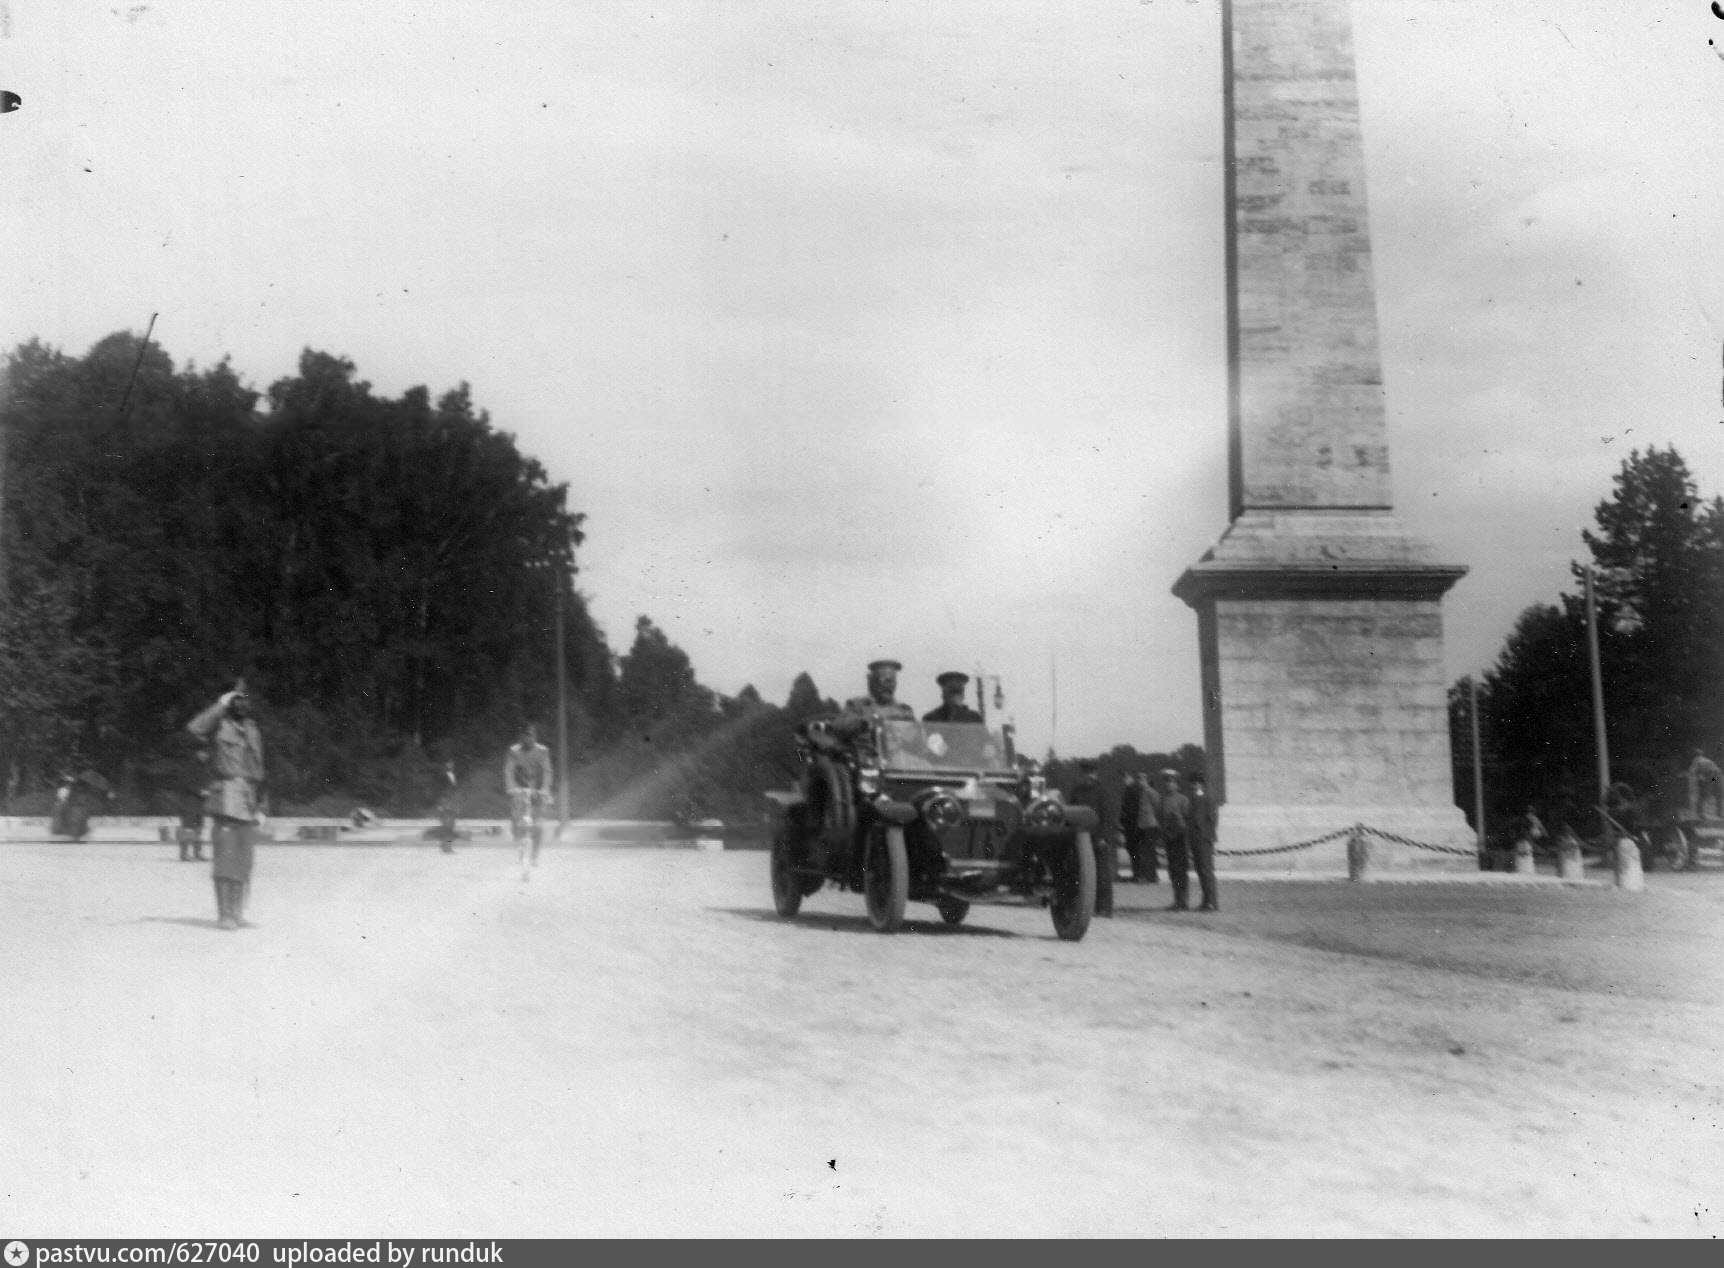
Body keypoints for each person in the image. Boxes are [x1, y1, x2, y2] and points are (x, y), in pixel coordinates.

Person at [187, 681, 266, 931]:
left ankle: (238, 912)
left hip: (249, 797)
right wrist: (219, 706)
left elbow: (260, 768)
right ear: (230, 702)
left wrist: (263, 804)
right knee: (226, 856)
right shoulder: (219, 724)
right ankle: (225, 914)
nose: (243, 704)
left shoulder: (253, 728)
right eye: (237, 699)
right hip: (226, 795)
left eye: (247, 699)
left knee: (245, 858)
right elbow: (194, 728)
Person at [505, 722, 554, 875]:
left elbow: (547, 771)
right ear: (521, 737)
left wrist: (545, 789)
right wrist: (511, 788)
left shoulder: (542, 751)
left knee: (538, 825)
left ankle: (534, 856)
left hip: (538, 791)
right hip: (520, 790)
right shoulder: (514, 751)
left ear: (535, 736)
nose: (528, 739)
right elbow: (509, 770)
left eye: (531, 735)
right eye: (525, 736)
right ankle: (520, 844)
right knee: (516, 822)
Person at [1069, 760, 1116, 918]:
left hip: (1098, 839)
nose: (1088, 776)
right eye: (1085, 773)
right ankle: (1089, 908)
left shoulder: (1102, 792)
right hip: (1081, 839)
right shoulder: (1077, 791)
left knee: (1102, 875)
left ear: (1095, 774)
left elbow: (1108, 818)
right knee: (1083, 876)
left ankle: (1104, 909)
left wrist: (1104, 838)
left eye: (1091, 773)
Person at [1157, 768, 1194, 912]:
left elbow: (1187, 820)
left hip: (1181, 839)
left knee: (1181, 871)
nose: (1168, 785)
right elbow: (1160, 818)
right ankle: (1177, 900)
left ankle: (1183, 901)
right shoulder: (1162, 800)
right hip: (1169, 839)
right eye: (1166, 782)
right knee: (1172, 871)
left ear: (1177, 784)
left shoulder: (1183, 799)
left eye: (1172, 782)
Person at [175, 732, 211, 862]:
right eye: (203, 753)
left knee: (199, 828)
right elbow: (185, 783)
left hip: (200, 802)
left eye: (207, 754)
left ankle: (198, 852)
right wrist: (199, 791)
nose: (206, 756)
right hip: (188, 801)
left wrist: (207, 791)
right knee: (188, 828)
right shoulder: (189, 765)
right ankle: (184, 853)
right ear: (198, 753)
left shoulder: (205, 767)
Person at [1187, 772, 1219, 912]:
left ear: (1200, 784)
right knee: (1201, 871)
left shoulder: (1204, 799)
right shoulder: (1194, 799)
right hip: (1197, 840)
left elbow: (1209, 820)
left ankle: (1211, 902)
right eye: (1192, 783)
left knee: (1206, 871)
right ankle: (1206, 901)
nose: (1193, 785)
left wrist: (1206, 836)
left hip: (1203, 840)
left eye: (1195, 783)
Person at [1121, 772, 1160, 884]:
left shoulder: (1150, 792)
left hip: (1150, 824)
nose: (1140, 782)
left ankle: (1151, 876)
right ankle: (1148, 875)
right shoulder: (1141, 792)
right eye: (1139, 780)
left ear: (1146, 781)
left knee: (1149, 851)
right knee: (1145, 851)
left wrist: (1155, 819)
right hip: (1142, 825)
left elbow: (1157, 806)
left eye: (1142, 780)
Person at [1687, 748, 1723, 821]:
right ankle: (1719, 814)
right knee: (1718, 796)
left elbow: (1692, 772)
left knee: (1703, 795)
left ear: (1694, 755)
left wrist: (1708, 781)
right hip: (1718, 776)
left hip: (1713, 777)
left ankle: (1701, 814)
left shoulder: (1697, 760)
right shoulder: (1707, 760)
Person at [435, 758, 460, 854]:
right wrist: (441, 804)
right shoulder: (441, 776)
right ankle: (444, 846)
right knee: (446, 825)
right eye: (449, 764)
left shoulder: (454, 775)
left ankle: (448, 846)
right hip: (445, 803)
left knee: (451, 826)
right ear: (445, 765)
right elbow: (439, 791)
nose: (451, 765)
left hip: (452, 803)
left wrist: (456, 804)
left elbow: (455, 791)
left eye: (452, 763)